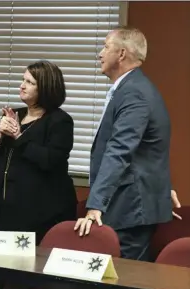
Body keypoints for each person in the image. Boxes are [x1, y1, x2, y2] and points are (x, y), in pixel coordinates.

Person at [74, 26, 174, 261]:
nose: (100, 53)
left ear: (121, 54)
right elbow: (148, 149)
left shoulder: (134, 93)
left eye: (106, 47)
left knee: (122, 278)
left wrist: (96, 204)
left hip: (130, 206)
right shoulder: (134, 88)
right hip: (130, 202)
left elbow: (120, 149)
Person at [0, 60, 77, 245]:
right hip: (4, 211)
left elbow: (50, 160)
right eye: (23, 80)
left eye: (30, 83)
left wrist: (18, 136)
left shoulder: (60, 121)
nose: (22, 86)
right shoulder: (14, 115)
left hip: (41, 214)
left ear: (46, 88)